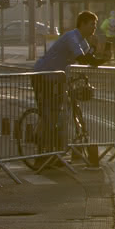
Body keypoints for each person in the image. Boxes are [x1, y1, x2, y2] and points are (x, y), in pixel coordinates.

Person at [33, 12, 100, 152]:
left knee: (58, 112)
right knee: (49, 114)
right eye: (92, 24)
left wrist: (100, 54)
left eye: (95, 25)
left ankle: (54, 148)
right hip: (43, 75)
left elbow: (88, 60)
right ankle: (42, 148)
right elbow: (81, 58)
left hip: (57, 77)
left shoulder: (84, 42)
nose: (94, 28)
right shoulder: (72, 37)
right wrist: (93, 52)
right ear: (82, 24)